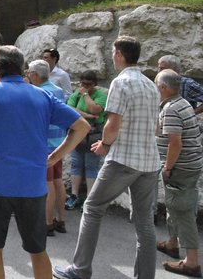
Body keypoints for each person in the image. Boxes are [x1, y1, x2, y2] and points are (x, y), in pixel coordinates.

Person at [0, 45, 90, 279]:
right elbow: (82, 126)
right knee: (37, 250)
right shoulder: (42, 95)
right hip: (33, 185)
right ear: (22, 67)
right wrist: (56, 155)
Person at [53, 36, 161, 279]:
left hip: (123, 158)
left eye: (114, 52)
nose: (112, 56)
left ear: (120, 55)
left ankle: (80, 270)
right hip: (149, 162)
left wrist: (105, 144)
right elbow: (154, 125)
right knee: (144, 223)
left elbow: (113, 123)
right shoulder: (150, 84)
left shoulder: (121, 82)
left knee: (92, 207)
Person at [154, 69, 202, 278]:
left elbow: (175, 143)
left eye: (156, 84)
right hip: (188, 167)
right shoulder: (182, 103)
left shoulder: (172, 109)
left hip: (179, 168)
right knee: (176, 207)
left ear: (163, 88)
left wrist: (168, 168)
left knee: (182, 211)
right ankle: (172, 244)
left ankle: (191, 262)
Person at [28, 59, 67, 237]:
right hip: (58, 142)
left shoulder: (37, 92)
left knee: (48, 183)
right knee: (58, 181)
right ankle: (60, 219)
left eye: (29, 73)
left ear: (35, 75)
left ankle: (47, 223)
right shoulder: (58, 90)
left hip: (44, 143)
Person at [64, 70, 107, 211]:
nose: (85, 86)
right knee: (76, 164)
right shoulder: (76, 94)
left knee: (91, 166)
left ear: (95, 84)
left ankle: (89, 198)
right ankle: (74, 195)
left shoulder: (100, 95)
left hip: (93, 134)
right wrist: (86, 114)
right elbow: (69, 109)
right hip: (78, 133)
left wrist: (86, 95)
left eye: (89, 84)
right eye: (83, 83)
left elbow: (96, 109)